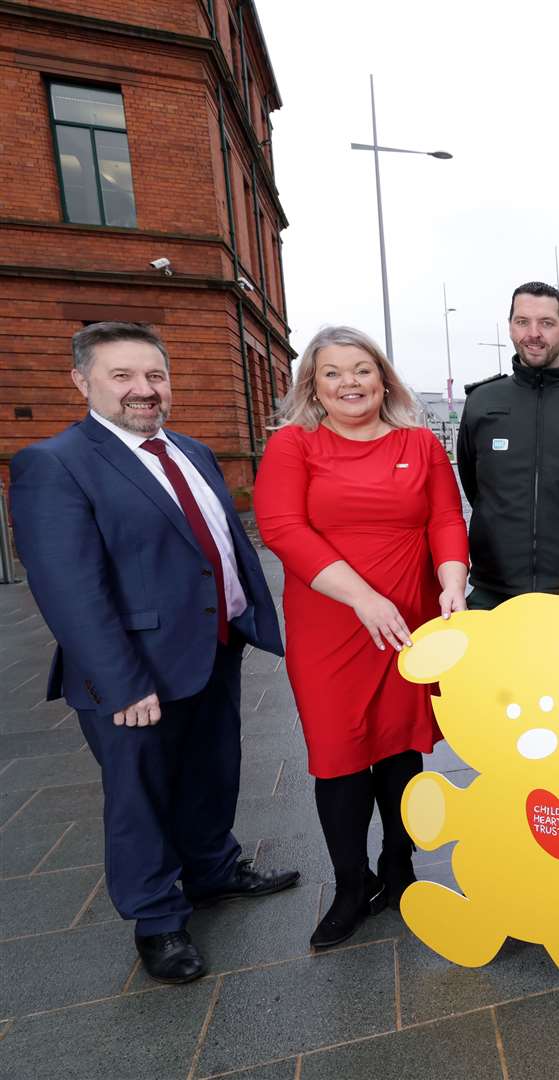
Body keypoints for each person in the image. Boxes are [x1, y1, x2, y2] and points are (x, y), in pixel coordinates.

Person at [9, 322, 299, 984]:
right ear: (82, 382)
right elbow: (68, 589)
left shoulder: (190, 451)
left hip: (212, 649)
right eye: (123, 376)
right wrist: (121, 682)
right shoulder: (53, 465)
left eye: (155, 375)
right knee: (140, 796)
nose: (144, 390)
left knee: (212, 771)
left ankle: (213, 871)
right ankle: (158, 921)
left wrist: (247, 618)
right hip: (132, 673)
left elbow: (221, 545)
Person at [253, 326, 469, 949]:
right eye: (332, 373)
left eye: (361, 369)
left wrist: (452, 582)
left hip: (408, 620)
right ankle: (352, 884)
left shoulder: (419, 443)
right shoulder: (295, 445)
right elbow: (283, 528)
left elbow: (446, 518)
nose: (350, 383)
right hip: (332, 622)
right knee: (339, 755)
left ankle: (399, 871)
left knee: (401, 749)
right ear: (313, 388)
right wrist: (363, 598)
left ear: (383, 378)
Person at [456, 282, 559, 609]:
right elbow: (475, 487)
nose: (533, 333)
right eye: (523, 322)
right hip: (495, 593)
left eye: (546, 323)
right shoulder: (481, 402)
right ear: (510, 327)